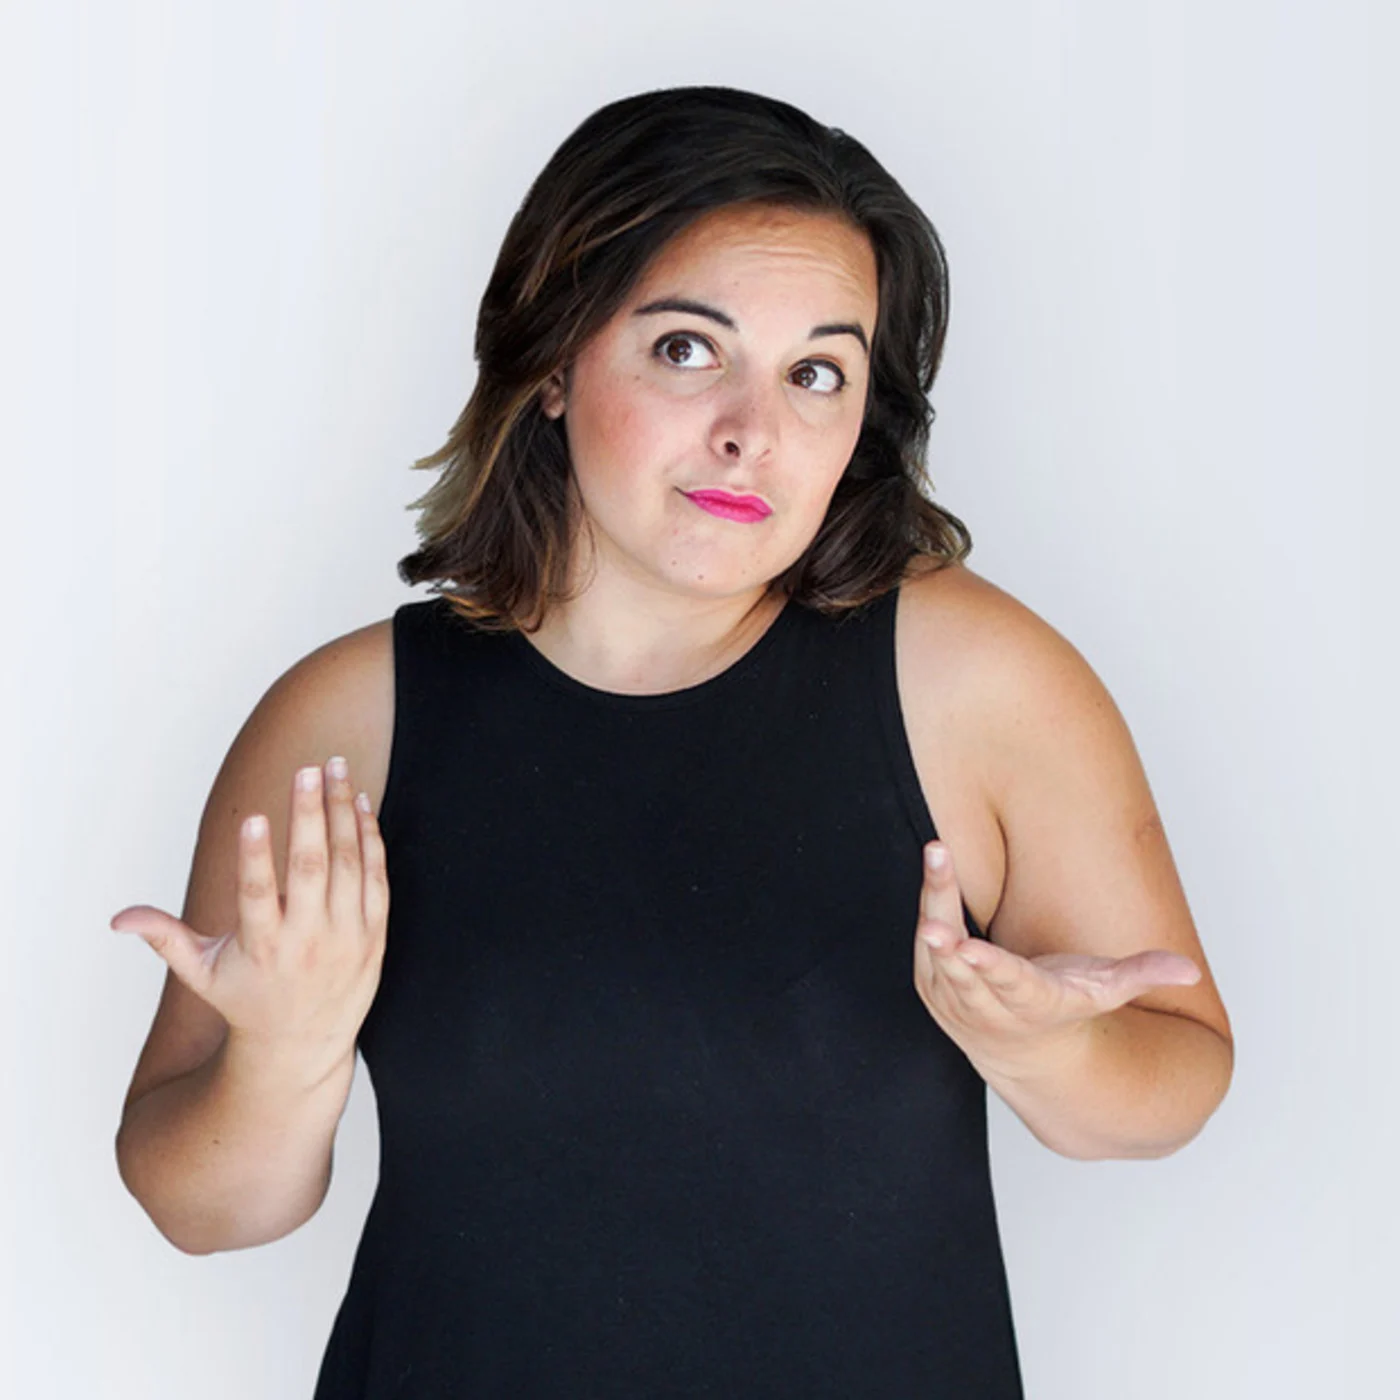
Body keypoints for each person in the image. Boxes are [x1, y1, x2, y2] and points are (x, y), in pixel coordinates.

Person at [111, 85, 1234, 1397]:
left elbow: (1178, 1074)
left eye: (819, 372)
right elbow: (204, 1209)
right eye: (688, 350)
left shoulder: (974, 681)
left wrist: (1053, 1053)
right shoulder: (347, 723)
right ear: (550, 362)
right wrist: (286, 1049)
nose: (752, 430)